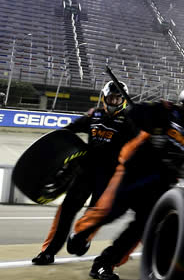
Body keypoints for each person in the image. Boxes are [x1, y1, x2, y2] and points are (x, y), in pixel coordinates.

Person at [67, 87, 184, 280]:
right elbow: (134, 112)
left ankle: (104, 264)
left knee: (141, 229)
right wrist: (154, 129)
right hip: (134, 171)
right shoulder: (164, 109)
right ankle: (81, 232)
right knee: (110, 211)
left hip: (160, 185)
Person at [31, 82, 135, 265]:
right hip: (85, 172)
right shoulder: (94, 114)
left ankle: (83, 239)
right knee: (66, 211)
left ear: (123, 100)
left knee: (94, 216)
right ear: (104, 98)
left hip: (108, 177)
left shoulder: (130, 121)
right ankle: (48, 251)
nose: (114, 101)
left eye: (118, 98)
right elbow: (69, 131)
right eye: (111, 97)